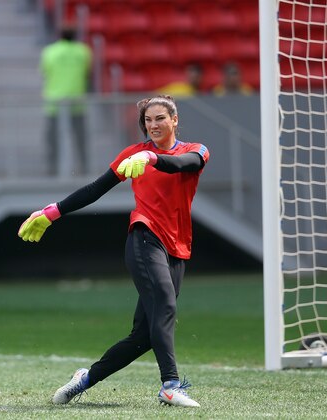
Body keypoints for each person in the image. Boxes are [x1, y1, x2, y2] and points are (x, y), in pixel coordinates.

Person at [18, 94, 210, 408]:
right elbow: (96, 188)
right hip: (145, 237)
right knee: (164, 303)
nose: (154, 125)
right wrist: (52, 212)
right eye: (148, 120)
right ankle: (171, 386)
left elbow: (185, 164)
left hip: (177, 247)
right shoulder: (133, 154)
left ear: (175, 120)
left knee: (144, 337)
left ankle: (85, 378)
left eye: (160, 118)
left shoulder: (194, 150)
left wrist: (153, 160)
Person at [40, 24, 92, 176]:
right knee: (80, 139)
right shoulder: (83, 51)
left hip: (54, 103)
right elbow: (87, 74)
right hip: (77, 102)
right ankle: (84, 169)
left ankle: (52, 170)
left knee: (53, 140)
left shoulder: (50, 51)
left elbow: (45, 72)